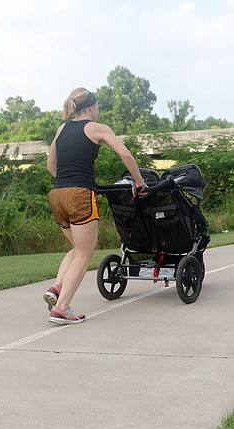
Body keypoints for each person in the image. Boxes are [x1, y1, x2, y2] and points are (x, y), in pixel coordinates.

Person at [44, 87, 147, 324]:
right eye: (98, 105)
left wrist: (67, 180)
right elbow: (126, 155)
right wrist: (139, 182)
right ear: (91, 106)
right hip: (79, 194)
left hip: (57, 193)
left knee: (77, 248)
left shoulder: (62, 129)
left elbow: (51, 166)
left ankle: (57, 287)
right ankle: (62, 308)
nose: (99, 109)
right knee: (85, 252)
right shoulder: (98, 128)